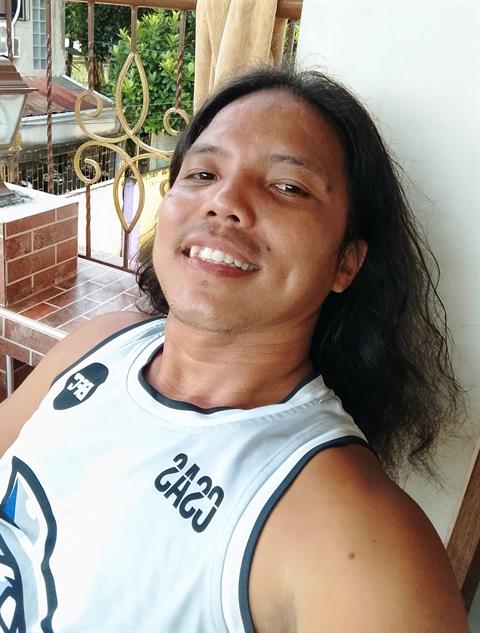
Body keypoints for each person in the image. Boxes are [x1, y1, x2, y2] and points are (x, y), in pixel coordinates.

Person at [0, 67, 468, 632]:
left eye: (288, 187)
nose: (224, 202)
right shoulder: (99, 343)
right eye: (202, 173)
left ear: (346, 262)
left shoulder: (356, 536)